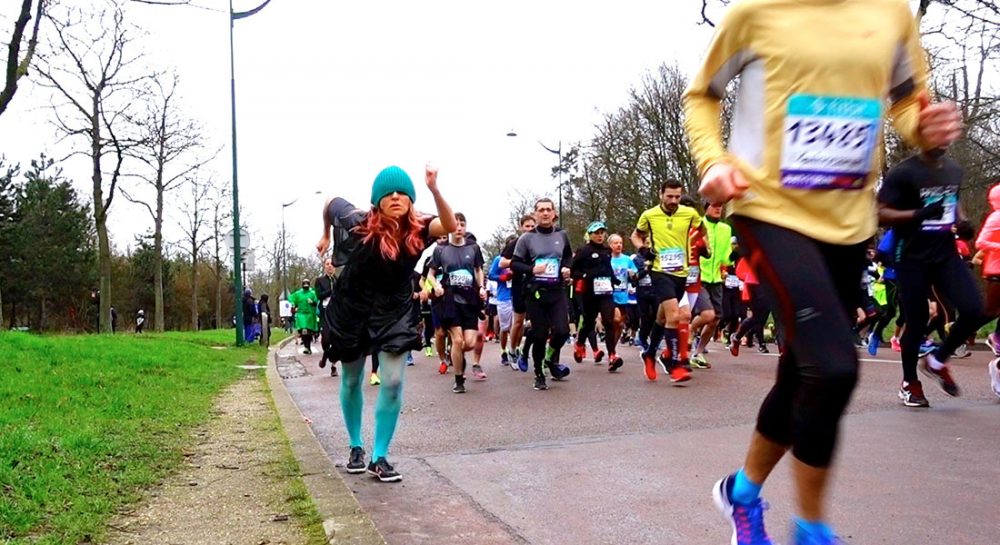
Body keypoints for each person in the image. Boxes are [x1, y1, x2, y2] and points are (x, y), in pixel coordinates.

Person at [683, 0, 962, 543]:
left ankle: (740, 494)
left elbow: (906, 101)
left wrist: (925, 129)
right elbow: (702, 95)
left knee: (802, 371)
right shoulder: (755, 12)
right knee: (834, 368)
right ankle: (811, 529)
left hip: (850, 219)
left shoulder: (892, 13)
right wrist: (713, 160)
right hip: (767, 209)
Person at [316, 164, 455, 482]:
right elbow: (328, 202)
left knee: (391, 383)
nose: (395, 197)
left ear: (410, 200)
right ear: (377, 201)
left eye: (402, 193)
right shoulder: (356, 221)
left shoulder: (419, 229)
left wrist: (434, 190)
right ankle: (355, 446)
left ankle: (380, 457)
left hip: (393, 311)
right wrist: (326, 233)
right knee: (352, 380)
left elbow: (447, 225)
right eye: (388, 193)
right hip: (353, 309)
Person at [878, 149, 986, 407]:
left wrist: (964, 222)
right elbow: (879, 214)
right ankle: (909, 382)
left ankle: (937, 361)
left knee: (974, 310)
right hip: (910, 254)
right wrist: (918, 215)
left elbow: (953, 201)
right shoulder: (903, 172)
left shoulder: (953, 169)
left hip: (944, 252)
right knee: (917, 320)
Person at [631, 180, 697, 384]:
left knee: (662, 317)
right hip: (660, 271)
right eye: (669, 196)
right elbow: (636, 235)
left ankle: (650, 354)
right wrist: (643, 250)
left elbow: (701, 233)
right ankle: (676, 365)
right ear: (661, 194)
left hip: (681, 272)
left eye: (677, 196)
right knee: (674, 315)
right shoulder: (649, 215)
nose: (673, 200)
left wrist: (704, 248)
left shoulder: (689, 214)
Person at [510, 198, 573, 391]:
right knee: (539, 334)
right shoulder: (527, 238)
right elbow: (514, 263)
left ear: (554, 213)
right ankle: (538, 373)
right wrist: (532, 269)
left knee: (563, 331)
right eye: (541, 210)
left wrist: (566, 268)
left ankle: (548, 358)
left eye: (548, 210)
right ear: (535, 214)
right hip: (535, 292)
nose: (545, 213)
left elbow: (569, 256)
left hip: (557, 290)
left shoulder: (561, 236)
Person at [427, 212, 487, 393]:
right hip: (450, 300)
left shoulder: (474, 248)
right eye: (455, 224)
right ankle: (458, 379)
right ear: (449, 227)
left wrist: (482, 287)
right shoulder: (440, 250)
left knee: (468, 343)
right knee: (457, 340)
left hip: (469, 300)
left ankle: (459, 358)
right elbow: (430, 274)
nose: (459, 227)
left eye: (462, 224)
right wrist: (435, 285)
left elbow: (478, 270)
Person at [571, 222, 623, 369]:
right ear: (590, 234)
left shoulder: (607, 250)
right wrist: (586, 276)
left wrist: (614, 279)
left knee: (609, 321)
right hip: (589, 292)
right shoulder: (583, 251)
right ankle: (580, 344)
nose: (599, 236)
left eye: (602, 233)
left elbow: (608, 268)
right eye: (596, 233)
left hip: (605, 291)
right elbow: (574, 271)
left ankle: (612, 355)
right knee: (588, 321)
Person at [691, 202, 733, 368]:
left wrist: (735, 254)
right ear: (706, 207)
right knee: (705, 314)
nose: (718, 209)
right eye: (714, 206)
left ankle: (698, 352)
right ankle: (686, 335)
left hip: (715, 279)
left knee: (715, 319)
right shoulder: (697, 224)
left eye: (720, 207)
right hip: (698, 277)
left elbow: (726, 258)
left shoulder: (725, 229)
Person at [499, 214, 537, 371]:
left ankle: (531, 352)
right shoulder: (516, 243)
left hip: (536, 284)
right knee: (518, 321)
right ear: (521, 227)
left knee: (537, 321)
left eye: (532, 226)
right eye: (526, 226)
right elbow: (502, 262)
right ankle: (513, 350)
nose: (529, 229)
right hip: (519, 284)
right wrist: (518, 263)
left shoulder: (540, 242)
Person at [974, 181, 1000, 397]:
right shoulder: (996, 217)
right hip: (996, 273)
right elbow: (981, 242)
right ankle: (962, 330)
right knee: (989, 311)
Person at [315, 258, 338, 376]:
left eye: (332, 264)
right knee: (326, 340)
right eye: (327, 264)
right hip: (325, 313)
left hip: (336, 313)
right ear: (324, 266)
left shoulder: (338, 280)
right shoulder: (319, 280)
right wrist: (331, 291)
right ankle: (325, 356)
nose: (330, 266)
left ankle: (333, 366)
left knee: (336, 340)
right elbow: (319, 295)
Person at [288, 279, 319, 355]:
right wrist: (293, 305)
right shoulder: (298, 293)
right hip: (301, 314)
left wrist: (312, 302)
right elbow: (291, 298)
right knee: (303, 331)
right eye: (304, 285)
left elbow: (316, 302)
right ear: (302, 285)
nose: (306, 286)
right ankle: (306, 346)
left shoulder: (313, 293)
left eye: (307, 285)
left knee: (308, 331)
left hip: (310, 314)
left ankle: (308, 346)